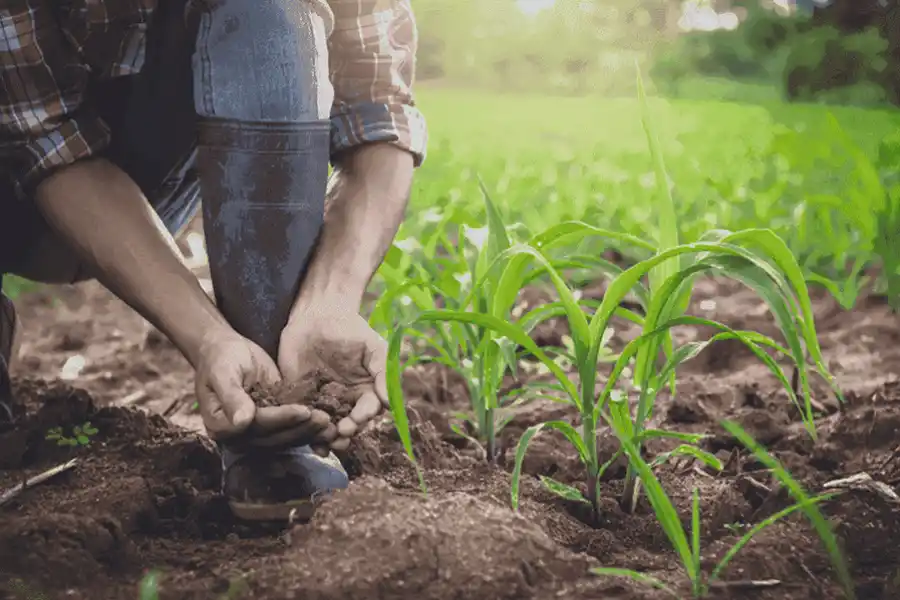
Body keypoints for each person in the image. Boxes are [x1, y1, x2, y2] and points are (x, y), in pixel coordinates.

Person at [0, 0, 427, 520]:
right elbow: (43, 136)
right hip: (19, 170)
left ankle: (269, 399)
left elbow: (379, 111)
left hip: (131, 165)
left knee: (270, 13)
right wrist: (202, 335)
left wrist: (329, 301)